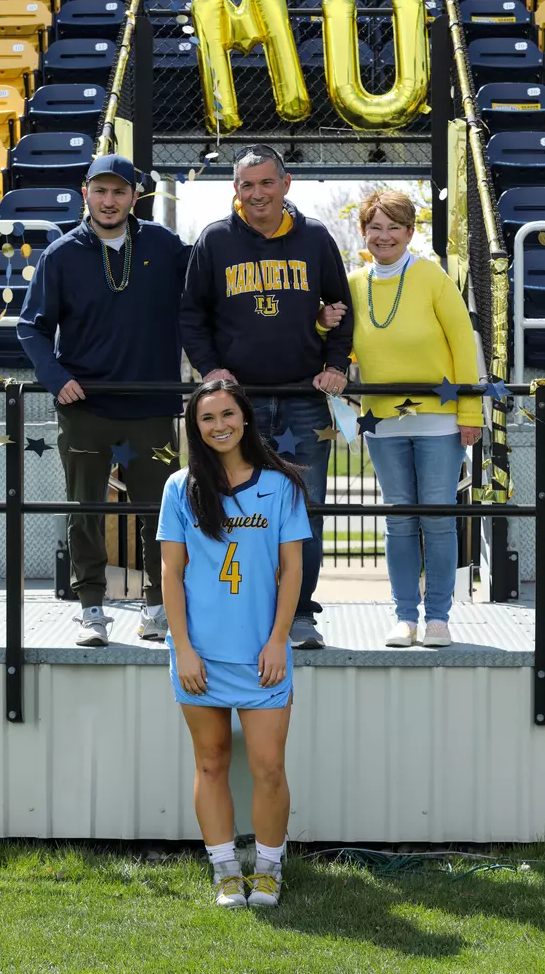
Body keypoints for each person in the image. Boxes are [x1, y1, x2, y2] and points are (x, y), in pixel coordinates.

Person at [180, 143, 353, 651]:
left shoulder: (316, 237)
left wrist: (336, 366)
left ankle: (300, 613)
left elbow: (339, 306)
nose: (257, 194)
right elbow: (191, 316)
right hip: (239, 405)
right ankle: (242, 610)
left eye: (266, 182)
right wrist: (212, 371)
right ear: (235, 190)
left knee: (304, 511)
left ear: (286, 183)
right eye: (247, 185)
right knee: (233, 512)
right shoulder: (214, 240)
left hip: (303, 399)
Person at [17, 154, 191, 647]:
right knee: (85, 510)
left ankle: (156, 608)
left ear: (135, 196)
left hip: (151, 408)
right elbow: (31, 326)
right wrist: (55, 376)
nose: (109, 201)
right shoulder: (62, 253)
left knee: (160, 512)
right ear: (85, 192)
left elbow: (206, 292)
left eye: (119, 191)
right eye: (101, 191)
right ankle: (91, 608)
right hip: (85, 407)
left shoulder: (164, 245)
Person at [157, 379, 311, 908]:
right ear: (194, 427)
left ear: (245, 417)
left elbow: (291, 571)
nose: (218, 425)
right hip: (200, 654)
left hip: (262, 654)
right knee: (211, 762)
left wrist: (277, 641)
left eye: (227, 414)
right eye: (206, 418)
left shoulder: (281, 486)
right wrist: (183, 648)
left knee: (268, 766)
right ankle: (226, 871)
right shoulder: (180, 487)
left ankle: (268, 869)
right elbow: (171, 575)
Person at [344, 191, 482, 648]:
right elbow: (338, 342)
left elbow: (464, 344)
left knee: (438, 519)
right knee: (399, 520)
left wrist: (471, 410)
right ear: (364, 232)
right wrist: (325, 322)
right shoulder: (353, 283)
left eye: (394, 227)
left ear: (409, 232)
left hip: (439, 420)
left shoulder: (432, 277)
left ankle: (438, 618)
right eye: (375, 227)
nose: (384, 236)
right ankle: (404, 616)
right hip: (382, 422)